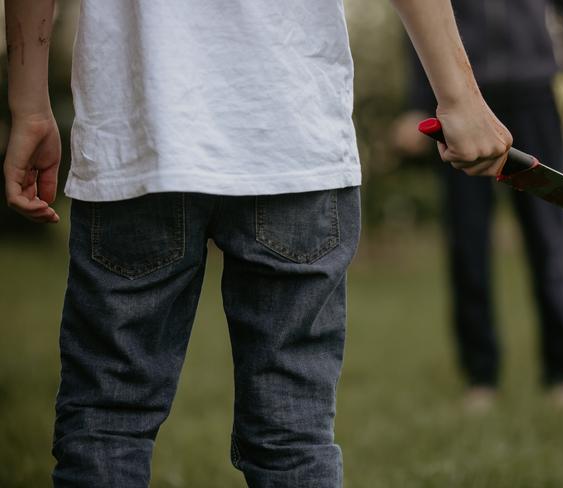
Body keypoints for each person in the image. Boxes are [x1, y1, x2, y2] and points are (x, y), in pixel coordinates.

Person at [4, 0, 511, 486]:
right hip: (290, 138)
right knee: (293, 432)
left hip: (137, 137)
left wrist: (28, 106)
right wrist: (460, 95)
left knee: (106, 417)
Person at [393, 0, 563, 409]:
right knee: (467, 247)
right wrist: (417, 100)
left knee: (549, 242)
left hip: (535, 96)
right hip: (464, 104)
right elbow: (420, 13)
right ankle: (480, 377)